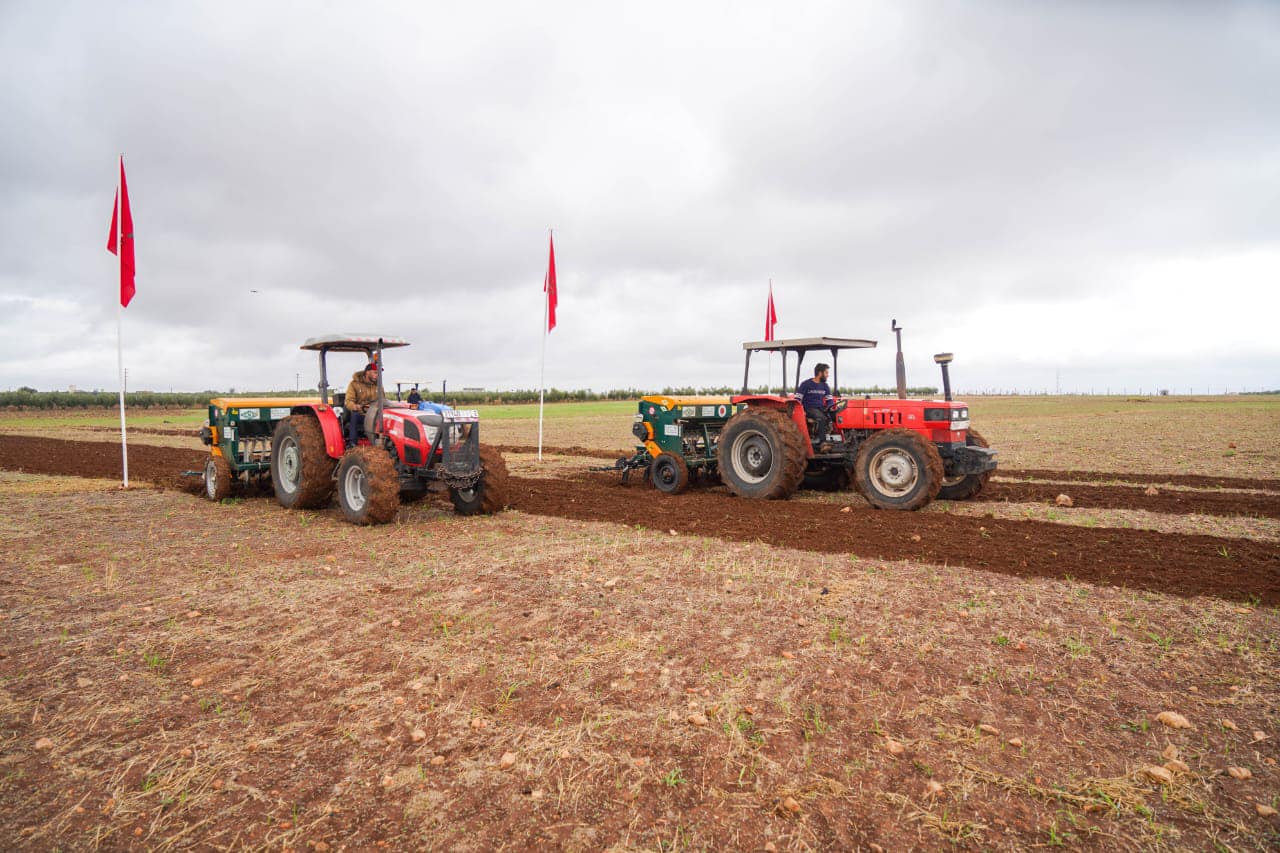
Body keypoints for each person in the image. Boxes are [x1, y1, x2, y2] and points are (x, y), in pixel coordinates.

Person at [796, 362, 836, 442]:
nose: (828, 375)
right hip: (809, 408)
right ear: (820, 373)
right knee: (821, 418)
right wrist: (801, 411)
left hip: (820, 408)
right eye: (826, 373)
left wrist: (832, 408)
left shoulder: (825, 386)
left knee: (836, 415)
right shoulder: (806, 384)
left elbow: (829, 400)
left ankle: (838, 438)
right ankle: (823, 442)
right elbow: (797, 400)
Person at [344, 361, 381, 446]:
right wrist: (355, 406)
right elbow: (348, 401)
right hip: (360, 414)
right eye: (375, 373)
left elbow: (383, 400)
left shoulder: (378, 386)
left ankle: (381, 443)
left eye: (378, 373)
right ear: (367, 372)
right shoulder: (354, 384)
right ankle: (353, 444)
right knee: (355, 414)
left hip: (373, 414)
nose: (377, 375)